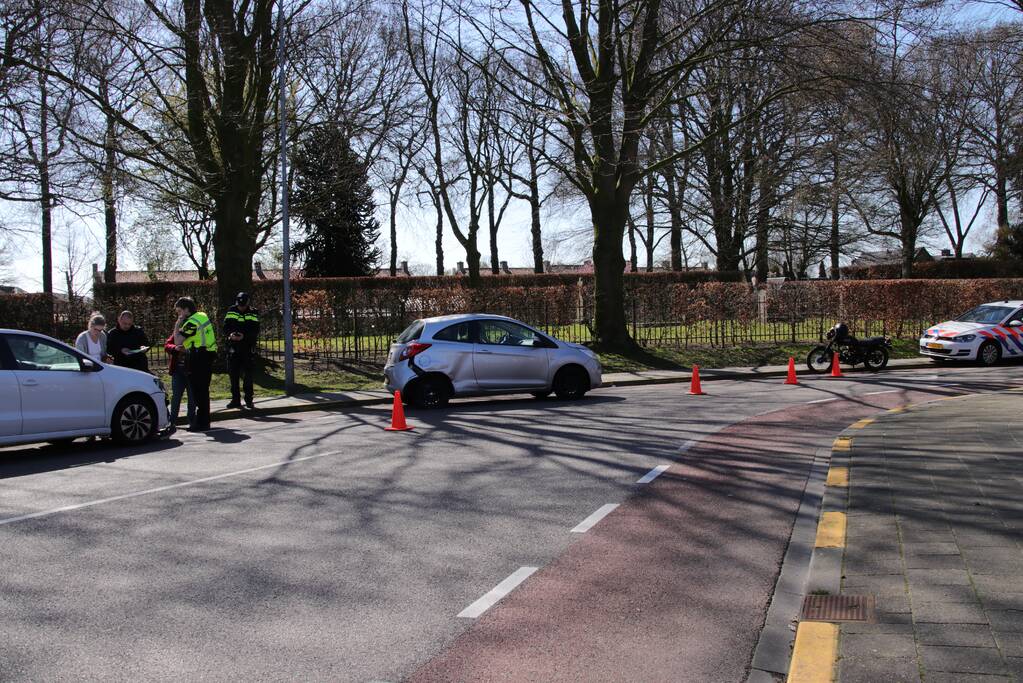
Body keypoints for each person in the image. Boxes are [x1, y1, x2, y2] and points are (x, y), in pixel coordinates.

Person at [173, 297, 217, 432]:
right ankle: (205, 421)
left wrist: (177, 324)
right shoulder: (202, 316)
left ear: (187, 310)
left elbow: (177, 341)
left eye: (180, 311)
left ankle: (201, 422)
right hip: (208, 354)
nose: (179, 315)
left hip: (198, 358)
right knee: (204, 391)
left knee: (198, 391)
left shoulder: (191, 323)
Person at [224, 291, 260, 409]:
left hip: (247, 348)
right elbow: (226, 326)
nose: (241, 307)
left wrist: (244, 336)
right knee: (233, 376)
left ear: (248, 303)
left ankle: (249, 400)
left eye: (243, 305)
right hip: (233, 348)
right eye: (240, 305)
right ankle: (235, 400)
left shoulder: (253, 312)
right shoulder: (231, 310)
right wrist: (230, 335)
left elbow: (255, 330)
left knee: (248, 377)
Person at [164, 331, 193, 430]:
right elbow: (167, 345)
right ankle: (172, 422)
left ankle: (192, 421)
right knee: (176, 396)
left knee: (192, 397)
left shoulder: (195, 334)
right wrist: (175, 348)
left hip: (191, 371)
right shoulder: (177, 334)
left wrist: (188, 350)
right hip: (177, 371)